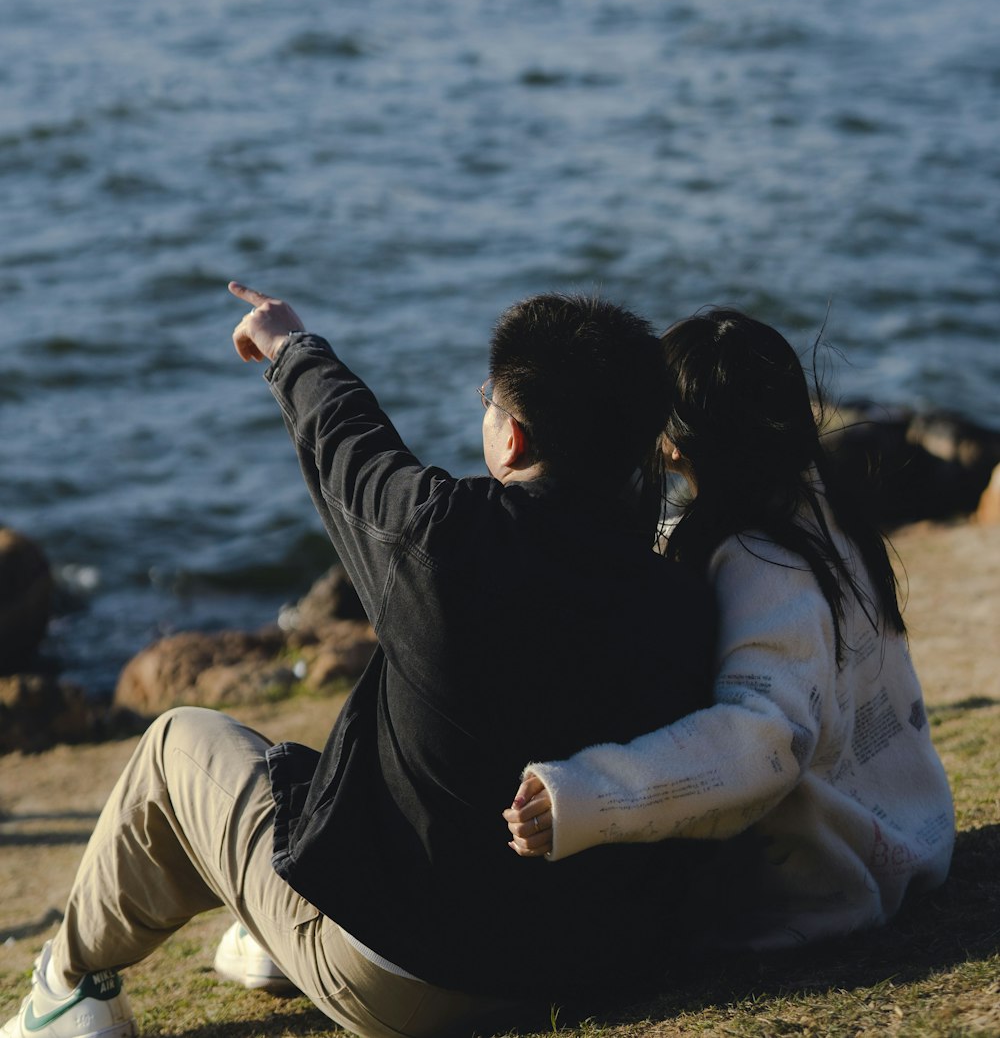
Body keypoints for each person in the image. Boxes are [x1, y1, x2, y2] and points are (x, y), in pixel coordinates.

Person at [3, 284, 716, 1038]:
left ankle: (68, 988)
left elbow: (349, 442)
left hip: (405, 979)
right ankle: (274, 937)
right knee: (359, 763)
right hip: (600, 969)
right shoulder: (683, 597)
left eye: (490, 402)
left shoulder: (445, 543)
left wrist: (289, 345)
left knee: (177, 747)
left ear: (513, 438)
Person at [504, 307, 955, 952]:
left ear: (675, 443)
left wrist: (585, 796)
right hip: (914, 837)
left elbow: (765, 740)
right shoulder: (826, 515)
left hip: (831, 887)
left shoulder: (760, 560)